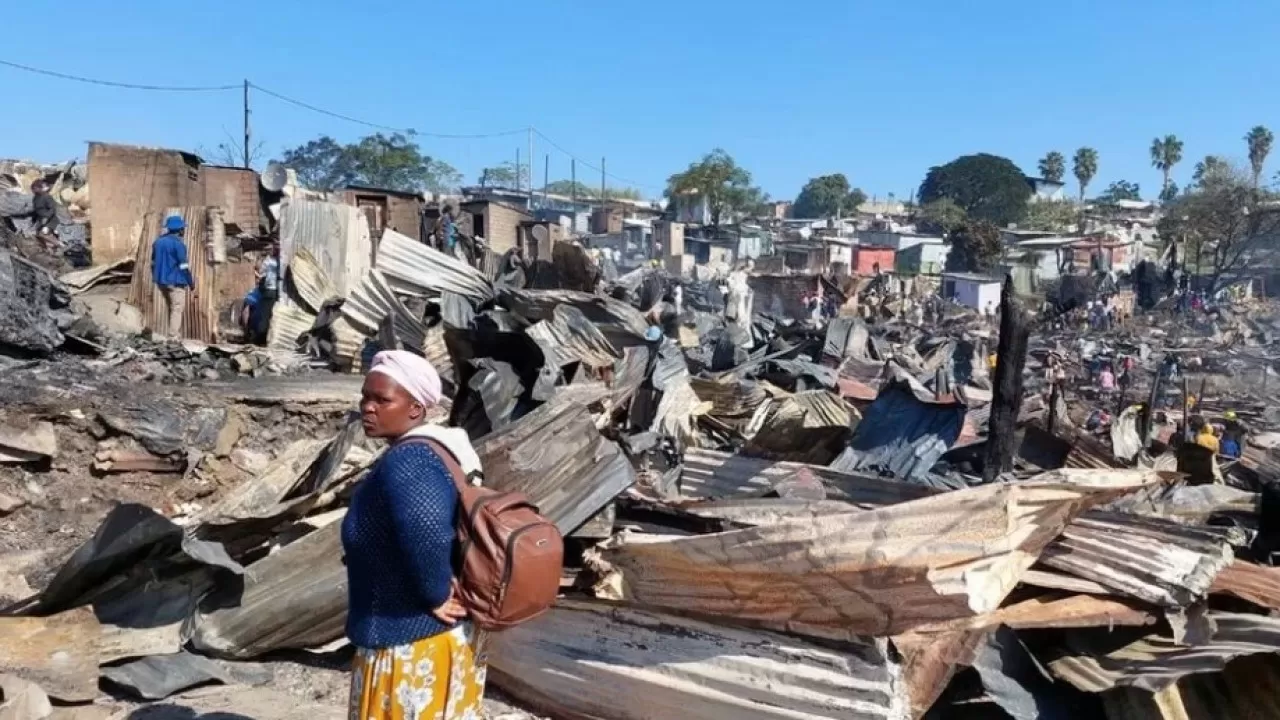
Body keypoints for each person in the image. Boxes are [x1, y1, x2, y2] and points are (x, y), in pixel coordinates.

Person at [343, 351, 487, 720]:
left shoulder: (412, 459)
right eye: (365, 397)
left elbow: (426, 530)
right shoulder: (441, 451)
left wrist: (435, 593)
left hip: (409, 641)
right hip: (422, 636)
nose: (368, 408)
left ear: (416, 408)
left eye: (382, 399)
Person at [150, 215, 195, 338]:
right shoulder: (178, 245)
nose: (184, 231)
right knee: (177, 307)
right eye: (183, 228)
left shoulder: (157, 242)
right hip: (175, 281)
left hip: (161, 281)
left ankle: (170, 332)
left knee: (171, 305)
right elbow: (183, 266)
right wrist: (190, 282)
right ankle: (173, 335)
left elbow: (153, 261)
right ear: (180, 230)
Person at [252, 243, 281, 345]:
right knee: (270, 315)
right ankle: (264, 339)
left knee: (265, 315)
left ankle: (261, 338)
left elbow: (261, 274)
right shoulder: (277, 261)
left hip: (270, 291)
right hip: (275, 292)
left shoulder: (269, 261)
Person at [31, 180, 59, 247]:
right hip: (41, 220)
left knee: (43, 233)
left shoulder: (47, 197)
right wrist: (33, 220)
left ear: (40, 188)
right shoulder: (35, 198)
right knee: (37, 235)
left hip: (50, 220)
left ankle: (60, 245)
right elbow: (36, 211)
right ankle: (47, 248)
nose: (33, 190)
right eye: (33, 189)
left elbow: (52, 209)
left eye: (35, 188)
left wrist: (46, 217)